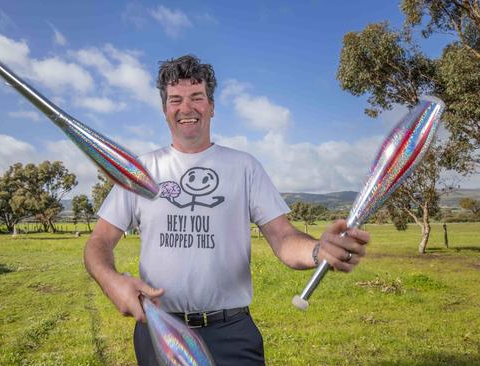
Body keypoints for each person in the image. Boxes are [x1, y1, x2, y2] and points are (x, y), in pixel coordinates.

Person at [84, 55, 370, 365]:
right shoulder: (140, 171)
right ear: (165, 110)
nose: (187, 108)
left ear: (212, 106)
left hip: (231, 332)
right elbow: (98, 242)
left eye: (197, 97)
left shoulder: (243, 166)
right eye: (176, 100)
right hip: (159, 330)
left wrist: (317, 250)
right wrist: (111, 280)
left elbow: (283, 237)